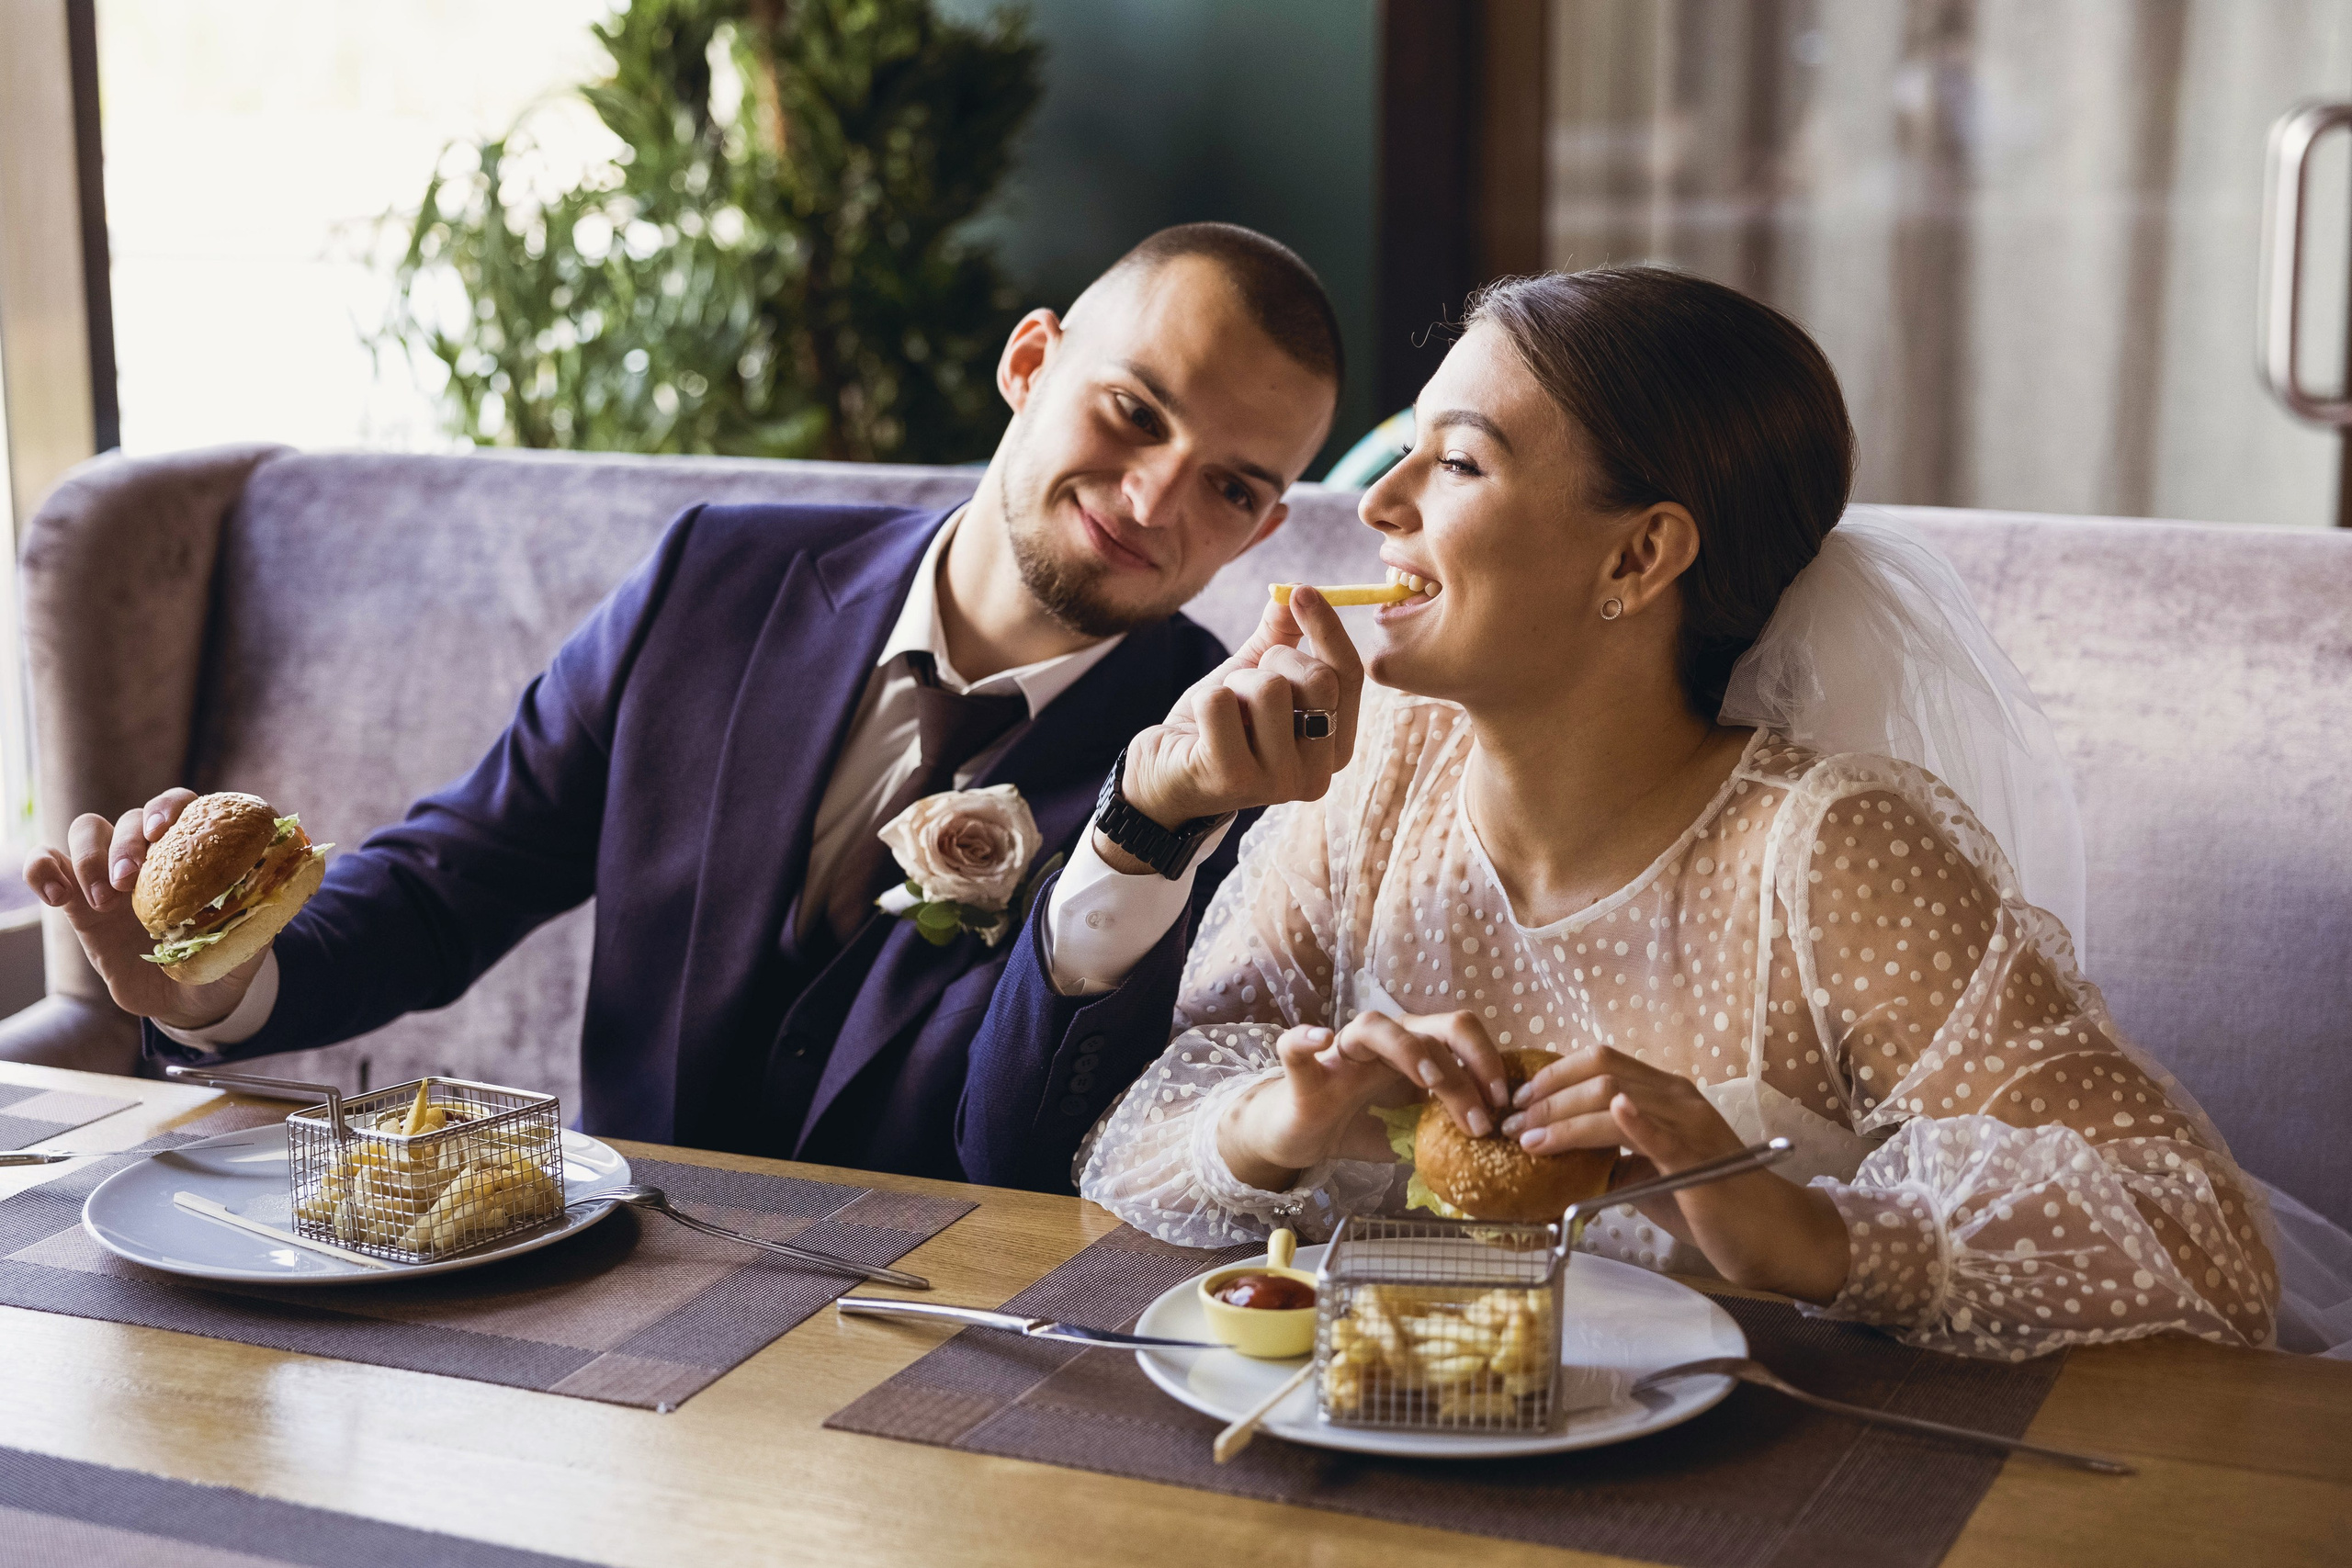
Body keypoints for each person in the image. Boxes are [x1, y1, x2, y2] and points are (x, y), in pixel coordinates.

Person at [980, 265, 2290, 1357]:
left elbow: (2204, 1243)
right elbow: (1131, 1144)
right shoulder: (1370, 790)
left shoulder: (1832, 855)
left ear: (1639, 556)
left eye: (1459, 464)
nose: (1377, 505)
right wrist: (1283, 1122)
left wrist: (1818, 1236)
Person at [26, 222, 1354, 1187]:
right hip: (607, 1293)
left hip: (935, 1348)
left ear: (1262, 530)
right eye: (1132, 413)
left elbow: (1047, 1156)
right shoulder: (715, 576)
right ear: (1029, 362)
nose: (1153, 501)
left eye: (1231, 488)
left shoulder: (1225, 772)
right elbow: (448, 885)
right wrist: (214, 983)